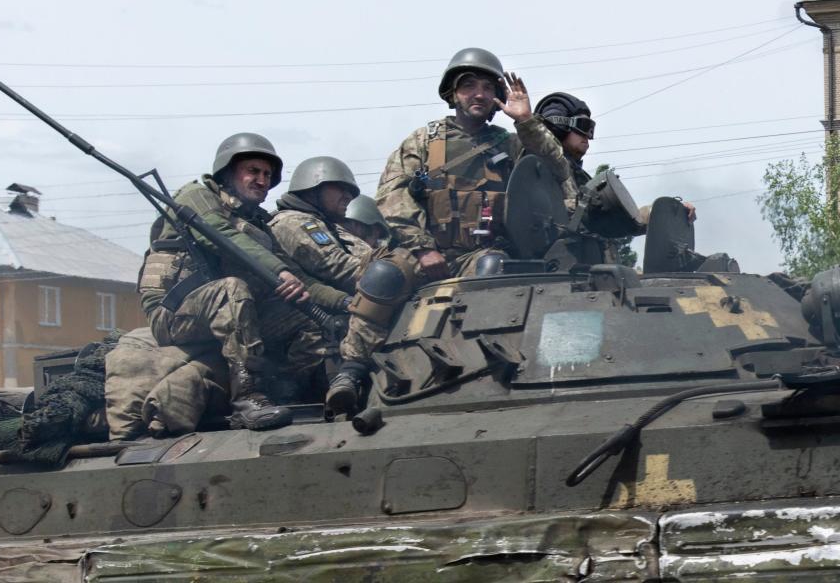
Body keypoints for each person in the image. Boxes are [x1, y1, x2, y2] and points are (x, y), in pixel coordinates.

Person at [138, 133, 349, 430]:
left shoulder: (258, 223)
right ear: (227, 172)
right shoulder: (196, 197)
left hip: (232, 313)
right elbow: (221, 235)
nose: (262, 180)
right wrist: (279, 272)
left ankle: (289, 391)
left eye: (267, 174)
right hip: (173, 314)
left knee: (311, 320)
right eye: (253, 171)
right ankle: (247, 398)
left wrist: (347, 302)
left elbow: (299, 278)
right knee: (232, 288)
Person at [376, 47, 561, 280]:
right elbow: (391, 197)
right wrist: (423, 248)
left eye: (488, 87)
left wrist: (526, 122)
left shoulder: (512, 146)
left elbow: (558, 172)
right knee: (382, 277)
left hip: (482, 255)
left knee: (495, 267)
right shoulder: (422, 141)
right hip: (422, 254)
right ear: (453, 93)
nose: (479, 94)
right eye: (468, 85)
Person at [270, 157, 420, 414]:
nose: (347, 197)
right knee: (389, 270)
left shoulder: (327, 225)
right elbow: (341, 269)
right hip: (306, 322)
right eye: (340, 189)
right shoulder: (293, 221)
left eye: (351, 192)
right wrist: (392, 273)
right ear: (313, 187)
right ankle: (351, 370)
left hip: (332, 309)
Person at [531, 91, 696, 226]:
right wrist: (526, 121)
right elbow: (553, 210)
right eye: (583, 127)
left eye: (591, 130)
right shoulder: (542, 172)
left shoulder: (579, 179)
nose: (588, 136)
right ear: (559, 127)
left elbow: (624, 222)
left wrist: (667, 212)